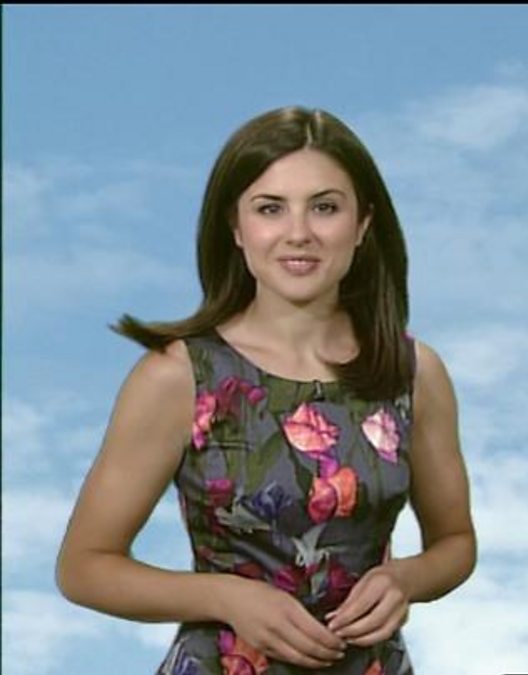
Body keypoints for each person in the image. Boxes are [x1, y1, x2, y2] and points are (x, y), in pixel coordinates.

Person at [55, 106, 476, 674]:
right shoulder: (177, 375)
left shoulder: (413, 374)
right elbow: (83, 567)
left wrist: (406, 580)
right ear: (236, 227)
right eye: (270, 208)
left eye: (324, 207)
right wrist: (227, 598)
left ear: (363, 225)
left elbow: (456, 542)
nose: (298, 233)